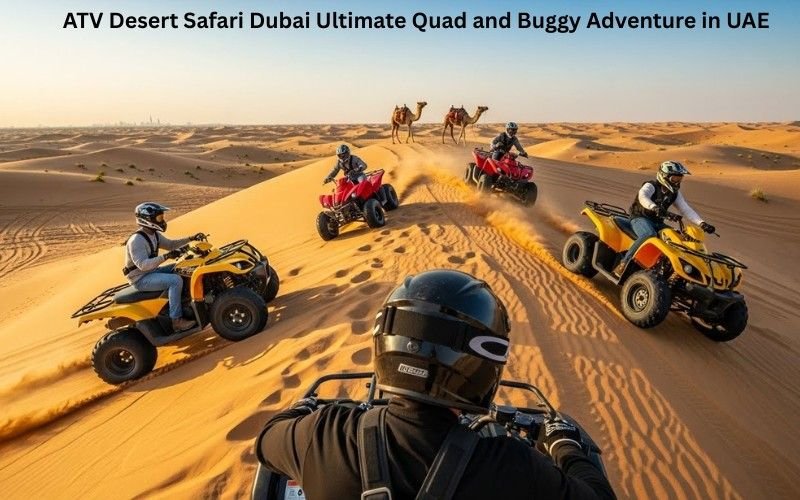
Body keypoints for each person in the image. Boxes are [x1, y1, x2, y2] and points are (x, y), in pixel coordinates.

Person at [256, 269, 616, 499]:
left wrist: (304, 408)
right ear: (480, 365)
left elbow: (266, 441)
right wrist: (564, 446)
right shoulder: (511, 467)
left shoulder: (323, 434)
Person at [614, 161, 715, 276]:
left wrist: (702, 223)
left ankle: (670, 269)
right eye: (674, 178)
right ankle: (624, 263)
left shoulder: (674, 193)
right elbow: (643, 196)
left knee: (677, 238)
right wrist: (654, 207)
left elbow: (685, 209)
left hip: (658, 223)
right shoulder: (651, 186)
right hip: (640, 218)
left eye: (679, 179)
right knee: (649, 234)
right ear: (664, 176)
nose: (677, 182)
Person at [123, 202, 205, 332]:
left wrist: (191, 238)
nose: (162, 220)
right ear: (147, 219)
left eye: (162, 217)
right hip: (140, 278)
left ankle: (188, 303)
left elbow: (171, 245)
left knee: (182, 267)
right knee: (175, 280)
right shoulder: (136, 240)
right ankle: (176, 321)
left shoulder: (154, 234)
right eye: (159, 218)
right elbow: (143, 265)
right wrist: (166, 256)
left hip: (152, 271)